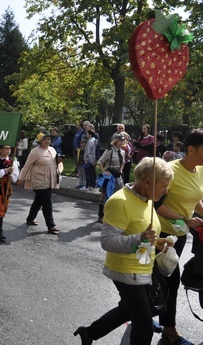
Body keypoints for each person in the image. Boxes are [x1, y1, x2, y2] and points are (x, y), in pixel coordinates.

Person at [74, 157, 174, 345]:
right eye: (163, 185)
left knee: (129, 310)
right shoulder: (119, 201)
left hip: (144, 269)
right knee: (143, 325)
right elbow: (108, 241)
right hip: (126, 273)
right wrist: (140, 239)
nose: (166, 191)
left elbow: (142, 233)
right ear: (147, 182)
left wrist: (157, 242)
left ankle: (89, 333)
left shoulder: (148, 199)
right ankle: (90, 333)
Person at [154, 130, 203, 345]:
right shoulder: (170, 171)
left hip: (180, 235)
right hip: (162, 234)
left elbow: (195, 200)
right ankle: (168, 327)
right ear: (191, 149)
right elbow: (157, 205)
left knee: (159, 278)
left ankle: (139, 312)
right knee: (169, 281)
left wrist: (198, 214)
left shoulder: (200, 170)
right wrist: (184, 218)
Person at [18, 131, 61, 235]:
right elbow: (27, 165)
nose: (47, 141)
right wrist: (21, 178)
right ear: (40, 141)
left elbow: (56, 162)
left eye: (49, 139)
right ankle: (51, 225)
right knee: (47, 201)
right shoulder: (35, 151)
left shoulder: (52, 149)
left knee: (39, 201)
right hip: (39, 179)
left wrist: (59, 162)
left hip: (50, 179)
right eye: (45, 139)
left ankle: (30, 218)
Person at [0, 144, 19, 241]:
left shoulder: (12, 161)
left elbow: (16, 173)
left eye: (9, 148)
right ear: (0, 150)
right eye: (5, 149)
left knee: (4, 207)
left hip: (7, 187)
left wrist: (12, 178)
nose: (8, 150)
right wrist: (6, 171)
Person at [96, 134, 125, 223]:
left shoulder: (122, 152)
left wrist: (120, 170)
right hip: (110, 177)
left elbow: (123, 162)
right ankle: (101, 215)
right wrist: (104, 172)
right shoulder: (109, 151)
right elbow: (100, 162)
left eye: (123, 140)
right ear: (116, 140)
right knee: (105, 195)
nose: (122, 142)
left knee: (120, 195)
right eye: (120, 140)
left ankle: (114, 215)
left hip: (118, 177)